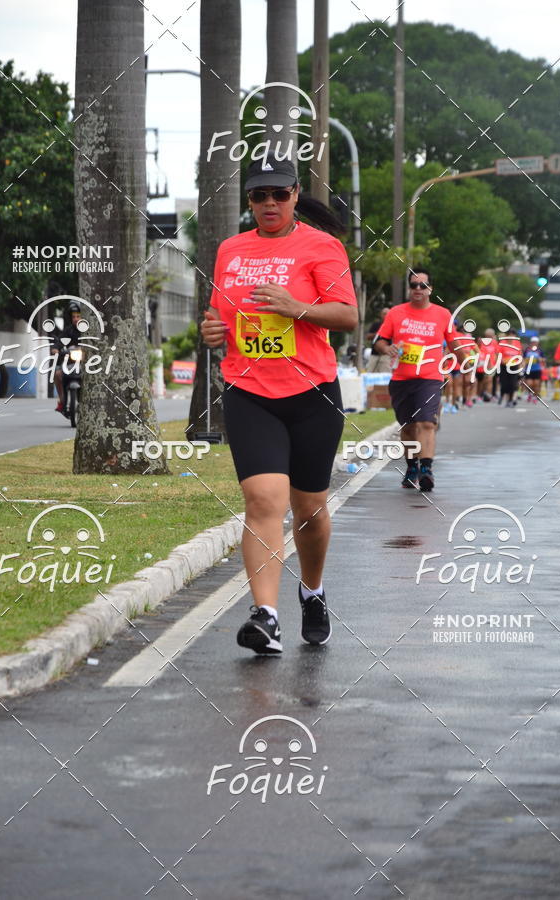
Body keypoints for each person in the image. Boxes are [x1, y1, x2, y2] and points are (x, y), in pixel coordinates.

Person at [201, 154, 358, 655]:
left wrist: (298, 309)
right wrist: (210, 330)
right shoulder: (231, 250)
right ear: (248, 200)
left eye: (279, 194)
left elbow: (348, 316)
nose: (269, 203)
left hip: (312, 392)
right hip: (249, 391)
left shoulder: (322, 246)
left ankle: (311, 591)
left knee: (309, 507)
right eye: (258, 195)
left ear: (295, 195)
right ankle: (265, 616)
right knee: (264, 500)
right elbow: (218, 313)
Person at [373, 269, 463, 491]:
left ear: (430, 289)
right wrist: (388, 348)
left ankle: (427, 469)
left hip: (430, 378)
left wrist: (468, 362)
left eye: (423, 285)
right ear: (409, 288)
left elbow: (454, 344)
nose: (418, 290)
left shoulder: (443, 315)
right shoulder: (395, 313)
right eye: (414, 285)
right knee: (409, 427)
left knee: (426, 422)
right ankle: (412, 465)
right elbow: (379, 342)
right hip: (402, 378)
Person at [53, 301, 83, 413]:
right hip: (70, 363)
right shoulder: (68, 330)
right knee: (57, 374)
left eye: (78, 316)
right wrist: (55, 348)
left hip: (86, 364)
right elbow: (59, 341)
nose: (75, 319)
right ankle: (62, 401)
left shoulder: (89, 330)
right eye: (73, 316)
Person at [498, 328, 523, 407]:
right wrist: (502, 360)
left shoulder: (517, 343)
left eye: (513, 335)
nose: (511, 337)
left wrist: (520, 366)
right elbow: (498, 355)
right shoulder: (502, 343)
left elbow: (520, 355)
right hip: (504, 366)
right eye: (510, 335)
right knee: (505, 384)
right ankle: (505, 398)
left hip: (514, 367)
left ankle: (511, 400)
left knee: (513, 384)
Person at [522, 336, 544, 402]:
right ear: (531, 343)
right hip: (528, 369)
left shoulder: (539, 351)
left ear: (537, 343)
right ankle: (530, 394)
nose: (534, 343)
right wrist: (523, 366)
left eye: (535, 342)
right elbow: (523, 359)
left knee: (536, 384)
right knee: (529, 383)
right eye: (533, 342)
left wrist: (540, 359)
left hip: (537, 369)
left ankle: (535, 396)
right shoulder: (527, 350)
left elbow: (543, 359)